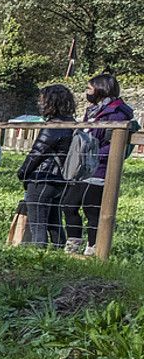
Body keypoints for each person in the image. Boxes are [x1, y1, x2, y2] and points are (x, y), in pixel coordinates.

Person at [62, 73, 135, 255]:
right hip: (82, 165)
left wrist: (97, 156)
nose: (87, 92)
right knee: (68, 204)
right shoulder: (93, 111)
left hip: (100, 166)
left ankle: (93, 247)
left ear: (101, 89)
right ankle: (74, 242)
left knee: (91, 209)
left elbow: (112, 143)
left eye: (89, 88)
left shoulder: (117, 113)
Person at [16, 84, 75, 248]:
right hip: (60, 179)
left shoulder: (53, 127)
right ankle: (58, 252)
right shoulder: (71, 123)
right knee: (54, 222)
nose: (40, 104)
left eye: (42, 100)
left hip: (42, 178)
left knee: (38, 224)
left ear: (51, 102)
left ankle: (39, 254)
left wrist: (22, 172)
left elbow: (37, 152)